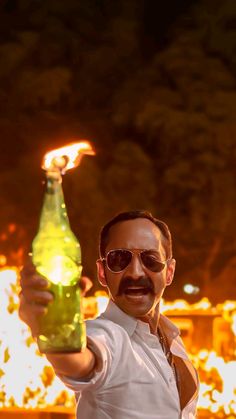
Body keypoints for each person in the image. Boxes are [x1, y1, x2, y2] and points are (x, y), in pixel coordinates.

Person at [19, 210, 199, 419]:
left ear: (169, 272)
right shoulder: (107, 336)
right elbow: (76, 361)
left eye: (151, 259)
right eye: (119, 259)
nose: (135, 273)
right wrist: (53, 330)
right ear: (102, 272)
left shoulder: (172, 339)